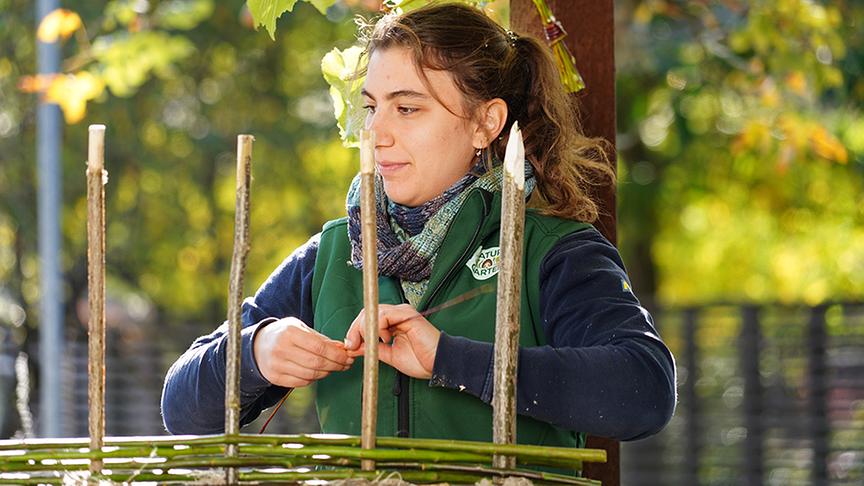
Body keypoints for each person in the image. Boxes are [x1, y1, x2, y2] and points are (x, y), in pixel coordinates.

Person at [161, 3, 676, 448]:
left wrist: (450, 360)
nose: (377, 132)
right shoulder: (332, 253)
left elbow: (646, 390)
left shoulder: (556, 251)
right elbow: (180, 407)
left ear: (485, 123)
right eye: (371, 108)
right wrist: (256, 353)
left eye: (407, 108)